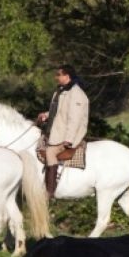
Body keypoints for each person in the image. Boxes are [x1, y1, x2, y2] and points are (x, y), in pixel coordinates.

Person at [36, 64, 89, 199]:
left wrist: (69, 140)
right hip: (58, 130)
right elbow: (60, 111)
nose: (56, 77)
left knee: (50, 152)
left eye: (58, 75)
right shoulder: (60, 91)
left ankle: (50, 191)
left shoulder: (76, 94)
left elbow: (74, 119)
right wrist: (47, 115)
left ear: (67, 76)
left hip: (69, 134)